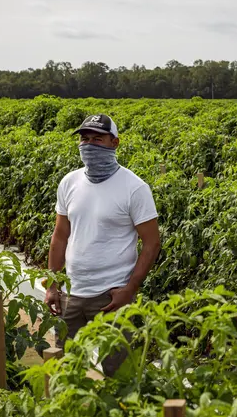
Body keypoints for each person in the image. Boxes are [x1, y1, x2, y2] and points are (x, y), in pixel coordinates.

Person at [44, 113, 161, 376]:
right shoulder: (69, 182)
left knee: (119, 375)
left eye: (98, 138)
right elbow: (60, 235)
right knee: (66, 372)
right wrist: (52, 285)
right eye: (85, 139)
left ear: (114, 143)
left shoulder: (134, 188)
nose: (89, 145)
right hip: (71, 296)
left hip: (111, 299)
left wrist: (130, 289)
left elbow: (152, 243)